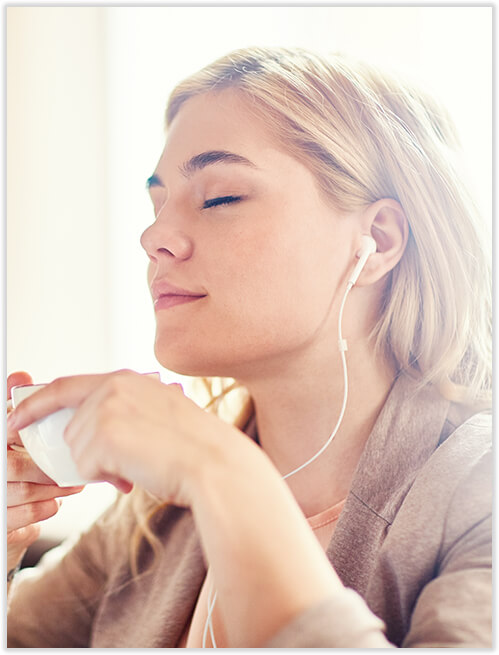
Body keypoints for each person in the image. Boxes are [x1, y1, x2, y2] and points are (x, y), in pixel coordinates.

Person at [7, 46, 492, 648]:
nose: (153, 236)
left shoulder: (480, 492)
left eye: (219, 198)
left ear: (377, 239)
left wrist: (222, 474)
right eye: (157, 204)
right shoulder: (152, 515)